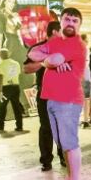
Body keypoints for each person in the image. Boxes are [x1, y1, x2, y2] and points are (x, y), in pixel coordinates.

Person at [28, 8, 88, 180]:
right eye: (67, 19)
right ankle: (69, 179)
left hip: (68, 100)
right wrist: (49, 61)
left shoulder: (77, 44)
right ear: (61, 21)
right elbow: (32, 53)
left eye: (75, 20)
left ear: (79, 25)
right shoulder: (55, 42)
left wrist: (48, 60)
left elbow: (52, 58)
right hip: (52, 99)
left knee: (69, 144)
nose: (70, 23)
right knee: (62, 144)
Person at [24, 21, 64, 171]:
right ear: (54, 32)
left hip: (63, 93)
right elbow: (26, 68)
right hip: (45, 94)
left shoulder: (64, 47)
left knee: (62, 127)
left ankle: (64, 157)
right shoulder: (38, 48)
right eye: (61, 32)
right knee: (46, 127)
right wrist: (44, 63)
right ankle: (46, 160)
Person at [0, 48, 24, 132]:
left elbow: (0, 77)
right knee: (16, 107)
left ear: (0, 55)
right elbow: (17, 74)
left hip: (6, 88)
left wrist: (0, 90)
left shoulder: (0, 64)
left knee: (2, 107)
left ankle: (0, 125)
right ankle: (19, 126)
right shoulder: (16, 63)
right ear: (8, 54)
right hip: (15, 87)